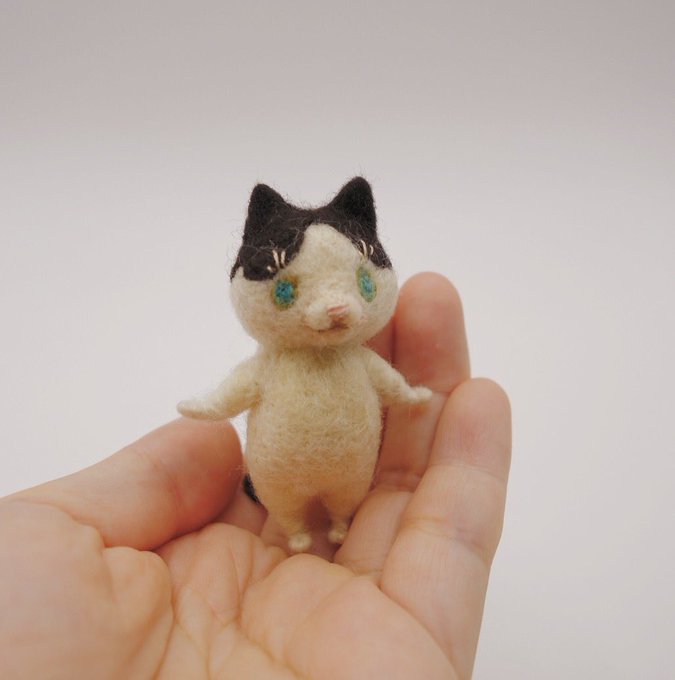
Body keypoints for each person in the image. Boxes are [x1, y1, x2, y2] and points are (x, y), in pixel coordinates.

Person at [0, 273, 511, 679]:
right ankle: (293, 524)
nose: (335, 306)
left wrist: (407, 394)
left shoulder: (357, 359)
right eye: (289, 290)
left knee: (347, 494)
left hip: (351, 473)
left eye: (357, 283)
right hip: (278, 474)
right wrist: (208, 406)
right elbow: (235, 391)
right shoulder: (270, 363)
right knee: (284, 498)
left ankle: (340, 519)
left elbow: (387, 382)